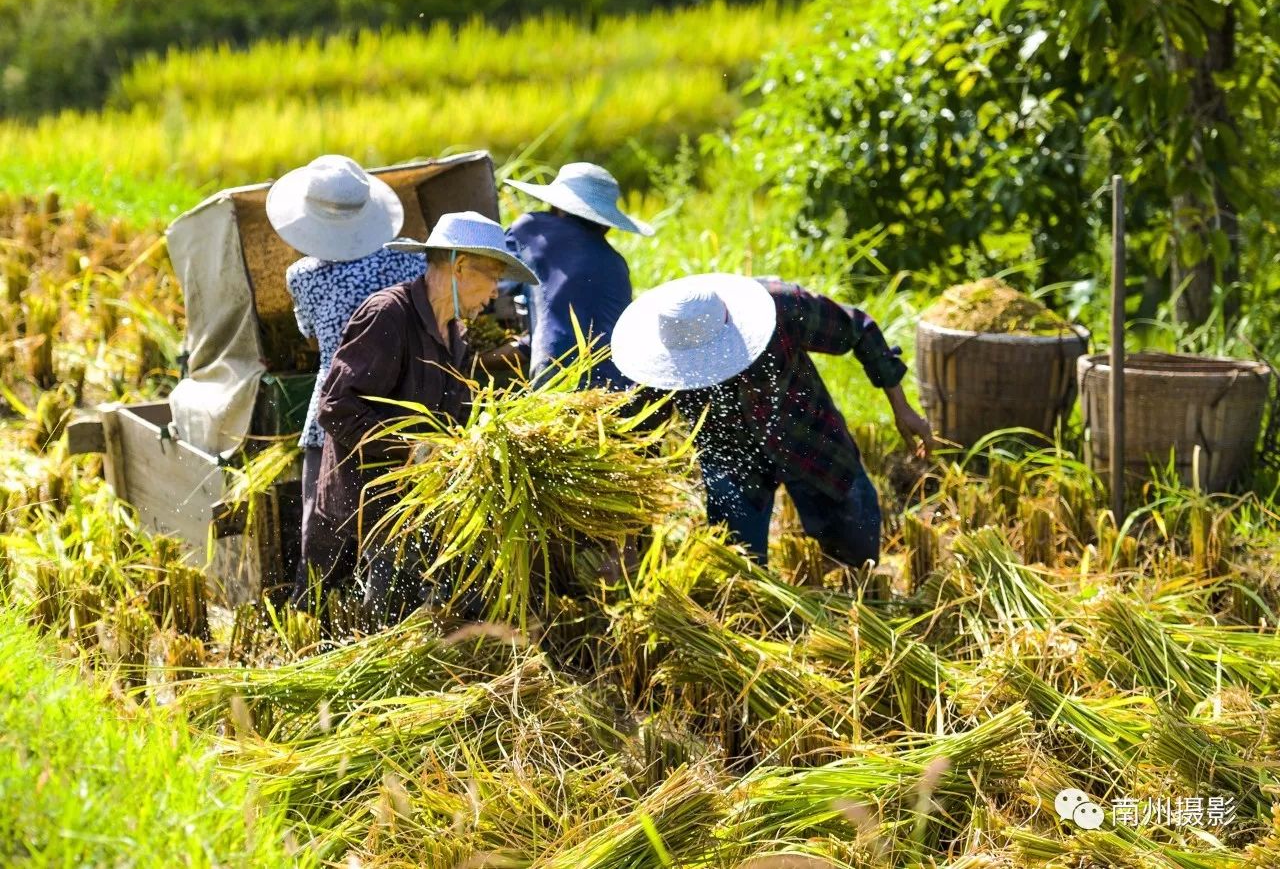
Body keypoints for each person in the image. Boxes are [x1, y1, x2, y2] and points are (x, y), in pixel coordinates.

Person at [300, 211, 538, 617]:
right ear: (460, 266)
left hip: (412, 509)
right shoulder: (388, 316)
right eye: (493, 277)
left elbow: (452, 414)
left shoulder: (453, 334)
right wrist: (411, 447)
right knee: (369, 625)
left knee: (426, 611)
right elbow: (336, 407)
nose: (496, 292)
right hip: (364, 512)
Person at [610, 273, 935, 570]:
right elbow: (638, 443)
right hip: (733, 461)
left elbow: (859, 329)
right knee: (738, 568)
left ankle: (852, 599)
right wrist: (623, 537)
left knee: (857, 548)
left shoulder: (781, 307)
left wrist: (902, 408)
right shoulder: (660, 364)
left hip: (809, 437)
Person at [267, 155, 423, 606]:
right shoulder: (407, 260)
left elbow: (309, 336)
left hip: (335, 407)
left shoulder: (303, 276)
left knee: (321, 523)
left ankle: (310, 608)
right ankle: (383, 616)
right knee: (390, 525)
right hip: (398, 409)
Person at [502, 162, 653, 389]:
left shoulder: (533, 228)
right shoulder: (616, 264)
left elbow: (491, 284)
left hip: (555, 377)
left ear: (558, 206)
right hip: (616, 388)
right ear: (606, 222)